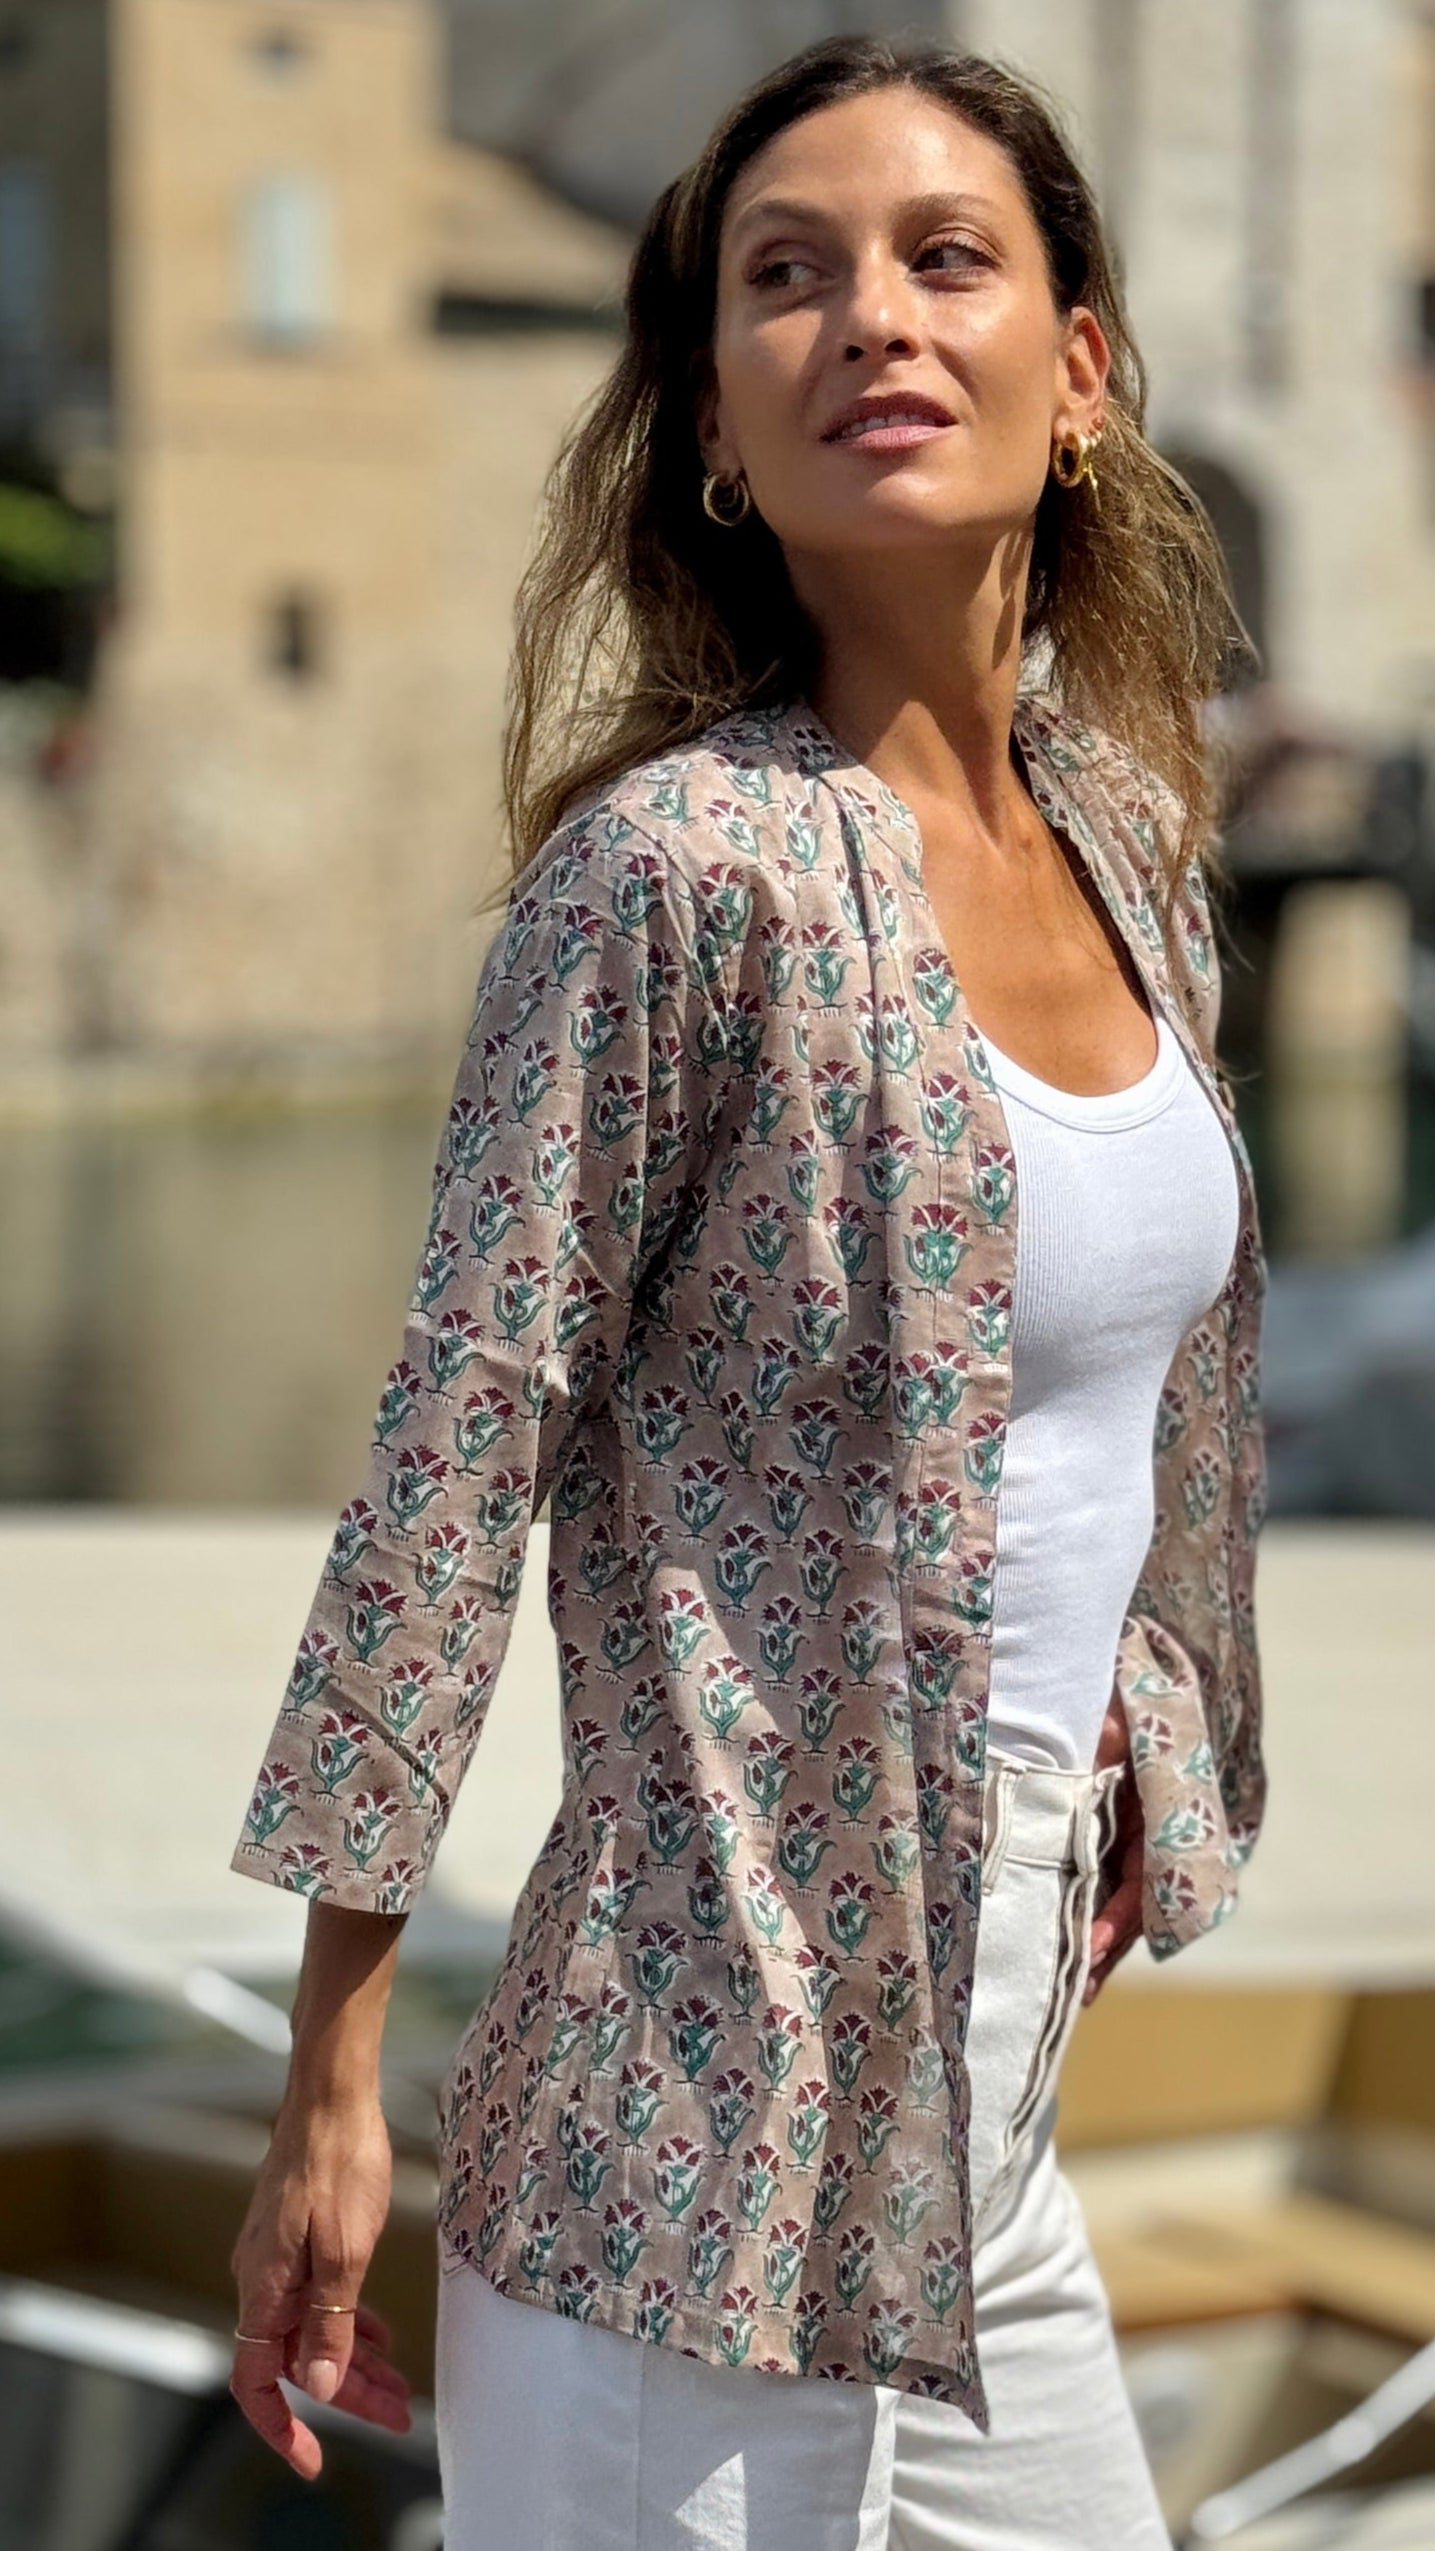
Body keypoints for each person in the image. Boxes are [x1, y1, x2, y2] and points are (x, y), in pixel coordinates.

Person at [225, 33, 1268, 2549]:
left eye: (945, 259)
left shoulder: (1133, 844)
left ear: (1080, 368)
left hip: (979, 2122)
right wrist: (333, 2070)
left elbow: (1136, 1387)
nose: (870, 318)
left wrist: (1150, 1722)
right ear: (715, 419)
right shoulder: (673, 879)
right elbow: (456, 1453)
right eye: (784, 278)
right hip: (682, 2150)